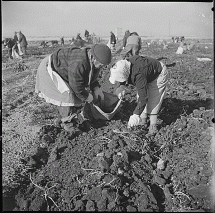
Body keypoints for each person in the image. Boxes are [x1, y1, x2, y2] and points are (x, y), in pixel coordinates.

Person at [35, 44, 112, 131]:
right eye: (101, 65)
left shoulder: (91, 59)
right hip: (50, 69)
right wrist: (87, 97)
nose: (103, 67)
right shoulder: (79, 63)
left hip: (63, 71)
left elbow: (90, 75)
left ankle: (63, 118)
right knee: (67, 98)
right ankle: (68, 126)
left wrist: (96, 88)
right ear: (94, 59)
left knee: (75, 98)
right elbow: (77, 86)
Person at [109, 55, 169, 135]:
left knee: (154, 98)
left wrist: (135, 114)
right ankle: (143, 120)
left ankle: (153, 125)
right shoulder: (125, 65)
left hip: (158, 73)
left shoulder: (139, 74)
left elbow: (143, 97)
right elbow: (123, 75)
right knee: (140, 97)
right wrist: (121, 86)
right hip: (147, 73)